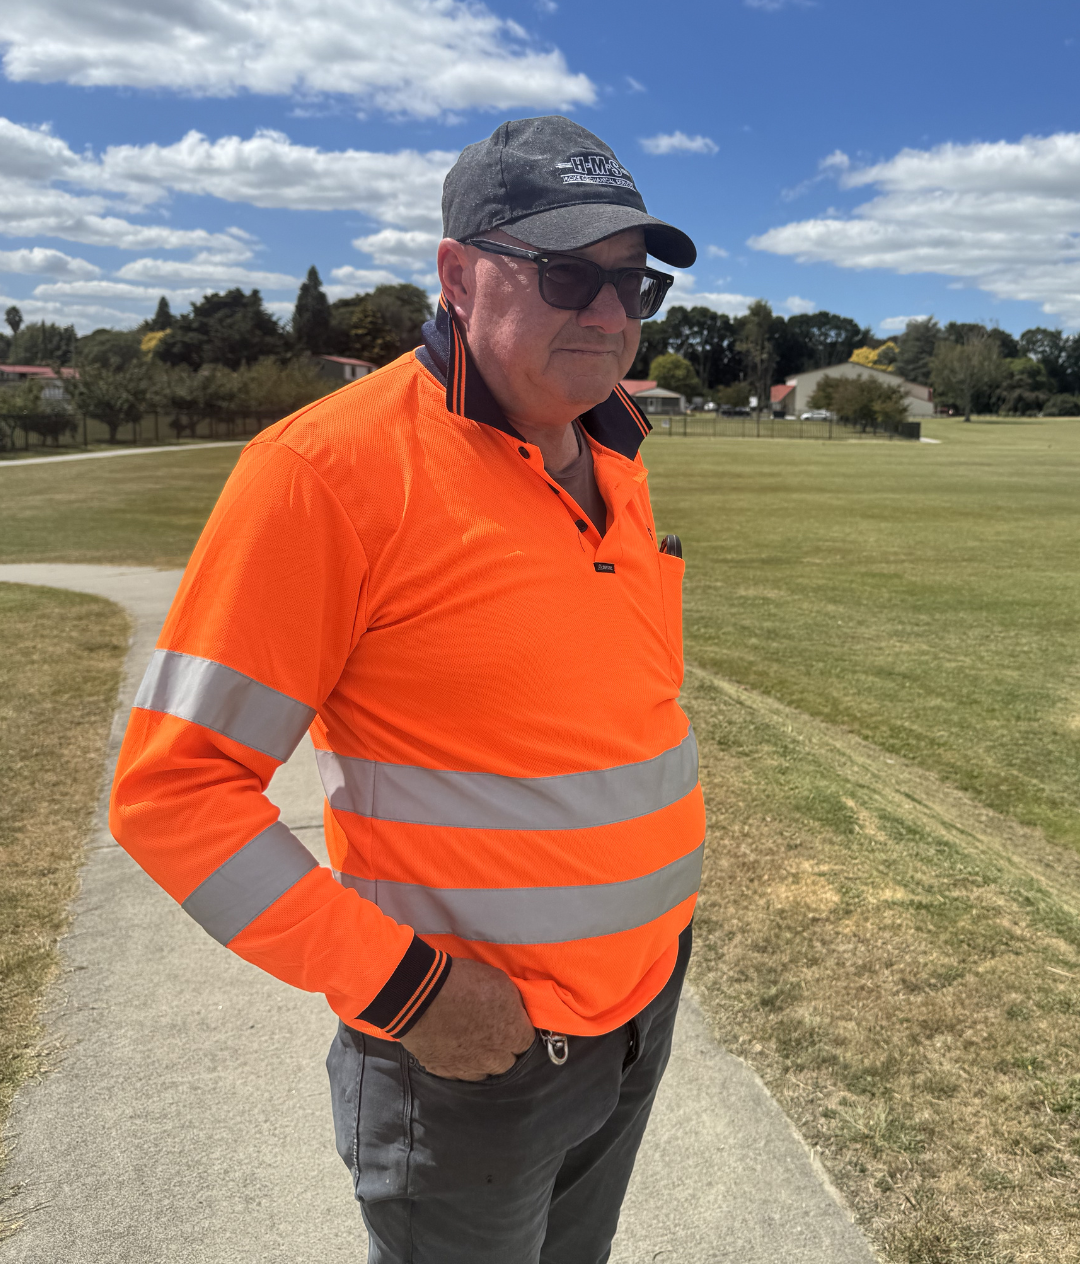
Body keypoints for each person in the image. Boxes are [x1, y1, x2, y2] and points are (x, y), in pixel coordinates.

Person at [110, 114, 706, 1264]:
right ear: (456, 274)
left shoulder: (615, 450)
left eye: (633, 284)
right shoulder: (323, 474)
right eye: (568, 272)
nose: (607, 311)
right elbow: (172, 795)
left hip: (640, 1010)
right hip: (477, 1056)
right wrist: (411, 992)